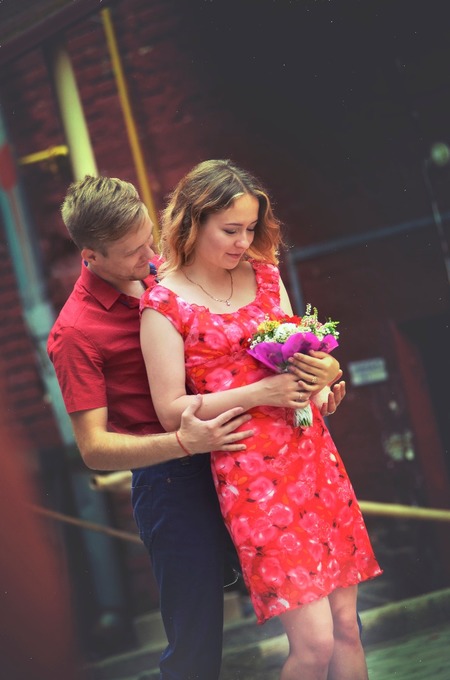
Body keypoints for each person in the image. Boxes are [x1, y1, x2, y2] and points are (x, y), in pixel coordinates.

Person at [47, 174, 346, 680]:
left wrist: (322, 377)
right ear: (90, 256)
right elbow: (93, 448)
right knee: (197, 645)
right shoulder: (75, 333)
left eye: (149, 240)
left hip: (253, 461)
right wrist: (184, 441)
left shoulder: (172, 274)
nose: (151, 258)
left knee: (331, 623)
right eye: (133, 252)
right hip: (175, 482)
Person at [140, 159, 382, 680]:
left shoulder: (267, 276)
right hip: (252, 476)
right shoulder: (163, 304)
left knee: (347, 627)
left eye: (250, 228)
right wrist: (260, 393)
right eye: (230, 230)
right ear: (193, 222)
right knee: (314, 644)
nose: (243, 241)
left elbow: (298, 359)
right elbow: (170, 410)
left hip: (312, 455)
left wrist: (320, 384)